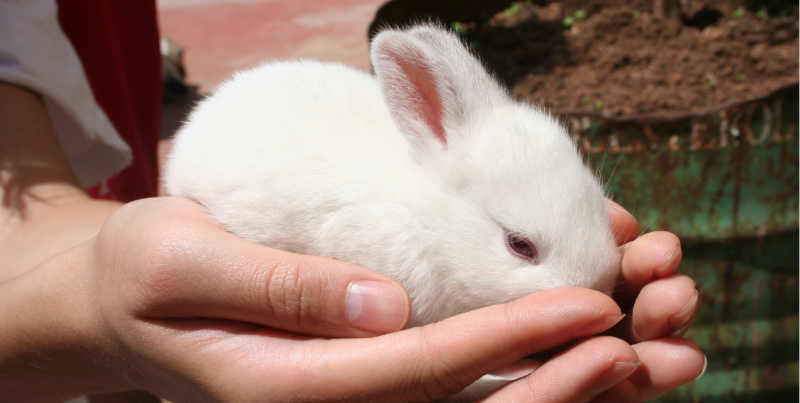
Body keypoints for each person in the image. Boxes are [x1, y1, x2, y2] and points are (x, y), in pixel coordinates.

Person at [0, 0, 705, 401]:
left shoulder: (499, 171)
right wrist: (104, 304)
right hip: (217, 181)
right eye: (521, 247)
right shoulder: (397, 232)